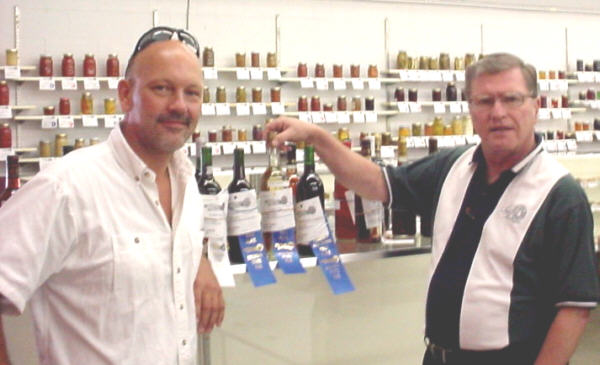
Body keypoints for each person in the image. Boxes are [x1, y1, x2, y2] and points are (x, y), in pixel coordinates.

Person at [265, 53, 599, 365]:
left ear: (536, 106)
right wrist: (318, 138)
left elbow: (573, 309)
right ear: (470, 109)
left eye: (511, 99)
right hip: (438, 356)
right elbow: (376, 183)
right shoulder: (453, 166)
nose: (497, 113)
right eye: (484, 101)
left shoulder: (560, 194)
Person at [0, 26, 224, 364]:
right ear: (125, 95)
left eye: (192, 93)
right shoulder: (67, 189)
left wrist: (199, 260)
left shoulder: (186, 183)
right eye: (161, 88)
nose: (180, 105)